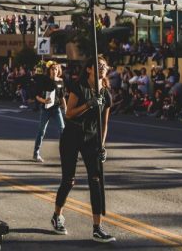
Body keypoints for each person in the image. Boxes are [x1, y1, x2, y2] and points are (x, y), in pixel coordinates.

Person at [51, 55, 115, 243]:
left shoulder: (106, 94)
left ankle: (97, 227)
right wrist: (89, 104)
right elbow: (69, 113)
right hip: (72, 136)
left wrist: (102, 146)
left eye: (105, 65)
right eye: (99, 65)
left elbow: (104, 124)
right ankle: (57, 215)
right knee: (69, 180)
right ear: (89, 69)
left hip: (91, 139)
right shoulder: (79, 87)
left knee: (96, 181)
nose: (102, 67)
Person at [33, 62, 67, 162]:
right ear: (49, 71)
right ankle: (36, 154)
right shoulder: (44, 80)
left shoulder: (60, 81)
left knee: (63, 130)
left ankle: (65, 154)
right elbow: (37, 95)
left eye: (56, 69)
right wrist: (44, 101)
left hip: (56, 109)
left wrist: (66, 108)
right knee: (41, 131)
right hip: (46, 109)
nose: (54, 71)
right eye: (52, 69)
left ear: (58, 71)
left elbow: (61, 96)